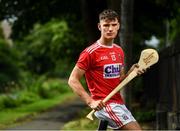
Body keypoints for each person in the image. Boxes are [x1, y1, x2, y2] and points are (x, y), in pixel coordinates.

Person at [68, 9, 145, 130]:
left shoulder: (119, 50)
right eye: (106, 25)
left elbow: (118, 81)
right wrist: (90, 102)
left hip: (118, 103)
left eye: (114, 25)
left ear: (118, 25)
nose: (110, 29)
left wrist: (132, 72)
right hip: (105, 105)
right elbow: (72, 80)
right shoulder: (90, 53)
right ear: (99, 26)